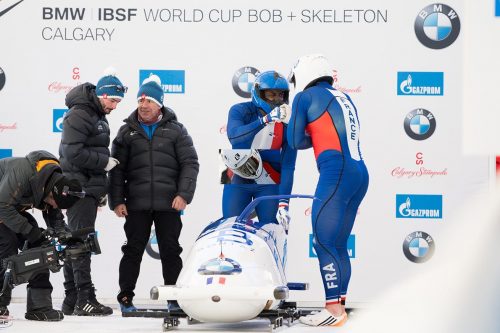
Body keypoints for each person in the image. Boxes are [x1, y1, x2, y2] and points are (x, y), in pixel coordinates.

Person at [286, 54, 369, 327]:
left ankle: (332, 309)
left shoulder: (304, 98)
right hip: (359, 173)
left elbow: (295, 140)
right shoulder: (343, 97)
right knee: (338, 244)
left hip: (336, 173)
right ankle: (339, 306)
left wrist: (306, 130)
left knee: (323, 241)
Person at [108, 75, 199, 313]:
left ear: (160, 104)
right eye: (140, 100)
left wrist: (184, 195)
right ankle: (125, 297)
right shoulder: (125, 132)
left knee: (171, 250)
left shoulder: (177, 130)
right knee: (132, 250)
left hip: (169, 203)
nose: (143, 105)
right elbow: (116, 168)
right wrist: (116, 200)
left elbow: (190, 163)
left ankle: (175, 299)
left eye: (149, 101)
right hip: (135, 204)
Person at [59, 67, 126, 316]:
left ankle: (71, 299)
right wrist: (104, 163)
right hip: (77, 189)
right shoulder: (79, 114)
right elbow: (72, 153)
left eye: (119, 101)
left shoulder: (97, 115)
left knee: (76, 242)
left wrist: (101, 186)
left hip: (87, 188)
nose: (115, 106)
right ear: (101, 94)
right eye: (113, 100)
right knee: (80, 244)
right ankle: (84, 299)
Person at [0, 150, 83, 321]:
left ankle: (39, 306)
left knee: (42, 248)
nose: (53, 205)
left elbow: (55, 216)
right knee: (7, 243)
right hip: (2, 205)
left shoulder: (54, 182)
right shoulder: (23, 171)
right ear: (50, 192)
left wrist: (65, 236)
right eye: (53, 202)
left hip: (9, 208)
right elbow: (2, 205)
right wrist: (31, 232)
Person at [224, 71, 296, 229]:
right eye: (271, 94)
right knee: (231, 228)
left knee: (271, 229)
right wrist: (265, 120)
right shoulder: (239, 110)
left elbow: (289, 165)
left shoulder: (288, 121)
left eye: (281, 95)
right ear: (258, 93)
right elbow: (235, 137)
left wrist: (284, 203)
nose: (277, 100)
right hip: (237, 176)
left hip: (269, 179)